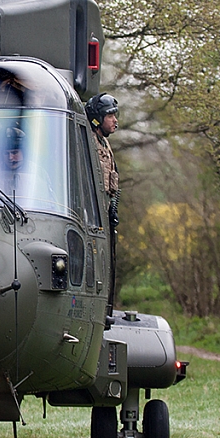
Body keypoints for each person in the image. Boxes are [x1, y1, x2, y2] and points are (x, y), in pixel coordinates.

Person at [85, 93, 120, 318]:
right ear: (98, 118)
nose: (115, 120)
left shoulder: (104, 143)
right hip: (91, 216)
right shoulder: (87, 141)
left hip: (104, 213)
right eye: (110, 115)